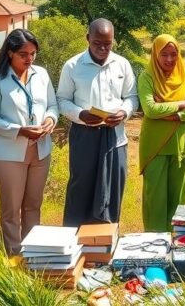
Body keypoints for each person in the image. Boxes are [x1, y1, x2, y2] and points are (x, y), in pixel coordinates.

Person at [0, 29, 58, 254]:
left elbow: (53, 106)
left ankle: (33, 253)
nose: (29, 59)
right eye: (23, 54)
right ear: (9, 53)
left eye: (33, 53)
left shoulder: (41, 74)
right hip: (9, 155)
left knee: (33, 206)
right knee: (11, 210)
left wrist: (49, 120)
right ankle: (15, 255)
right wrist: (20, 131)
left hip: (40, 151)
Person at [57, 19, 138, 227]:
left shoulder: (122, 64)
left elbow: (131, 97)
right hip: (85, 136)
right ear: (87, 39)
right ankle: (74, 243)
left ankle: (106, 244)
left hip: (115, 137)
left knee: (112, 188)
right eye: (97, 43)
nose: (103, 48)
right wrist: (80, 114)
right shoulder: (73, 66)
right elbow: (62, 100)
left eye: (107, 43)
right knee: (81, 188)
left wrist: (124, 112)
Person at [138, 34, 185, 232]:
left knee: (178, 202)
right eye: (164, 55)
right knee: (155, 201)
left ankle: (176, 242)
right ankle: (154, 244)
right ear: (155, 55)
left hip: (181, 147)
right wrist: (181, 105)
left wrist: (172, 115)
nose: (169, 60)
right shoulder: (147, 77)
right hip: (155, 147)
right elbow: (150, 109)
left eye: (173, 54)